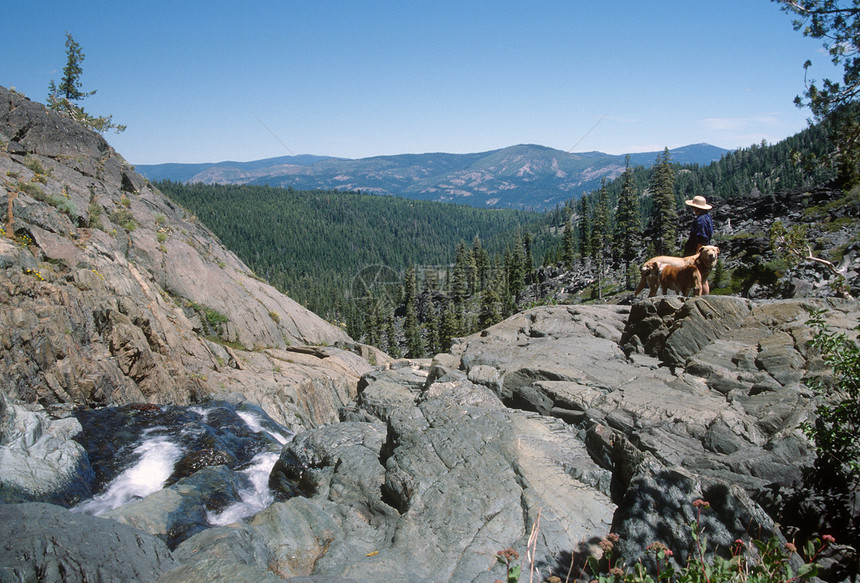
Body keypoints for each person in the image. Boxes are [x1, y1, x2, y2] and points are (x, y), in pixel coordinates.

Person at [682, 195, 714, 293]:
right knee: (703, 278)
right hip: (702, 252)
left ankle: (699, 298)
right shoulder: (707, 217)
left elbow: (701, 240)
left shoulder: (701, 221)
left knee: (698, 277)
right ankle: (704, 298)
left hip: (697, 252)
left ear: (695, 208)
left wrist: (696, 256)